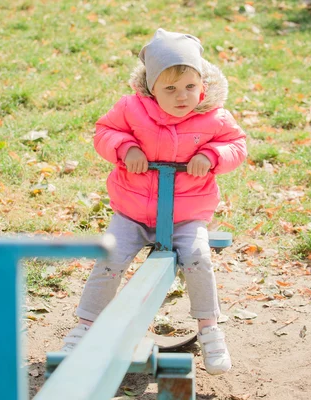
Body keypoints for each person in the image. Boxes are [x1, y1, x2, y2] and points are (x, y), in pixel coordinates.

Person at [61, 28, 247, 375]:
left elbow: (237, 145)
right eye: (170, 88)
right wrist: (126, 148)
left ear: (201, 83)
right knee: (109, 256)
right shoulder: (132, 109)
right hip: (133, 211)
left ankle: (209, 329)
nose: (182, 96)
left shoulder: (215, 116)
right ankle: (85, 324)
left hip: (185, 214)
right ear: (151, 87)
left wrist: (211, 154)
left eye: (190, 86)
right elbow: (104, 132)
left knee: (197, 257)